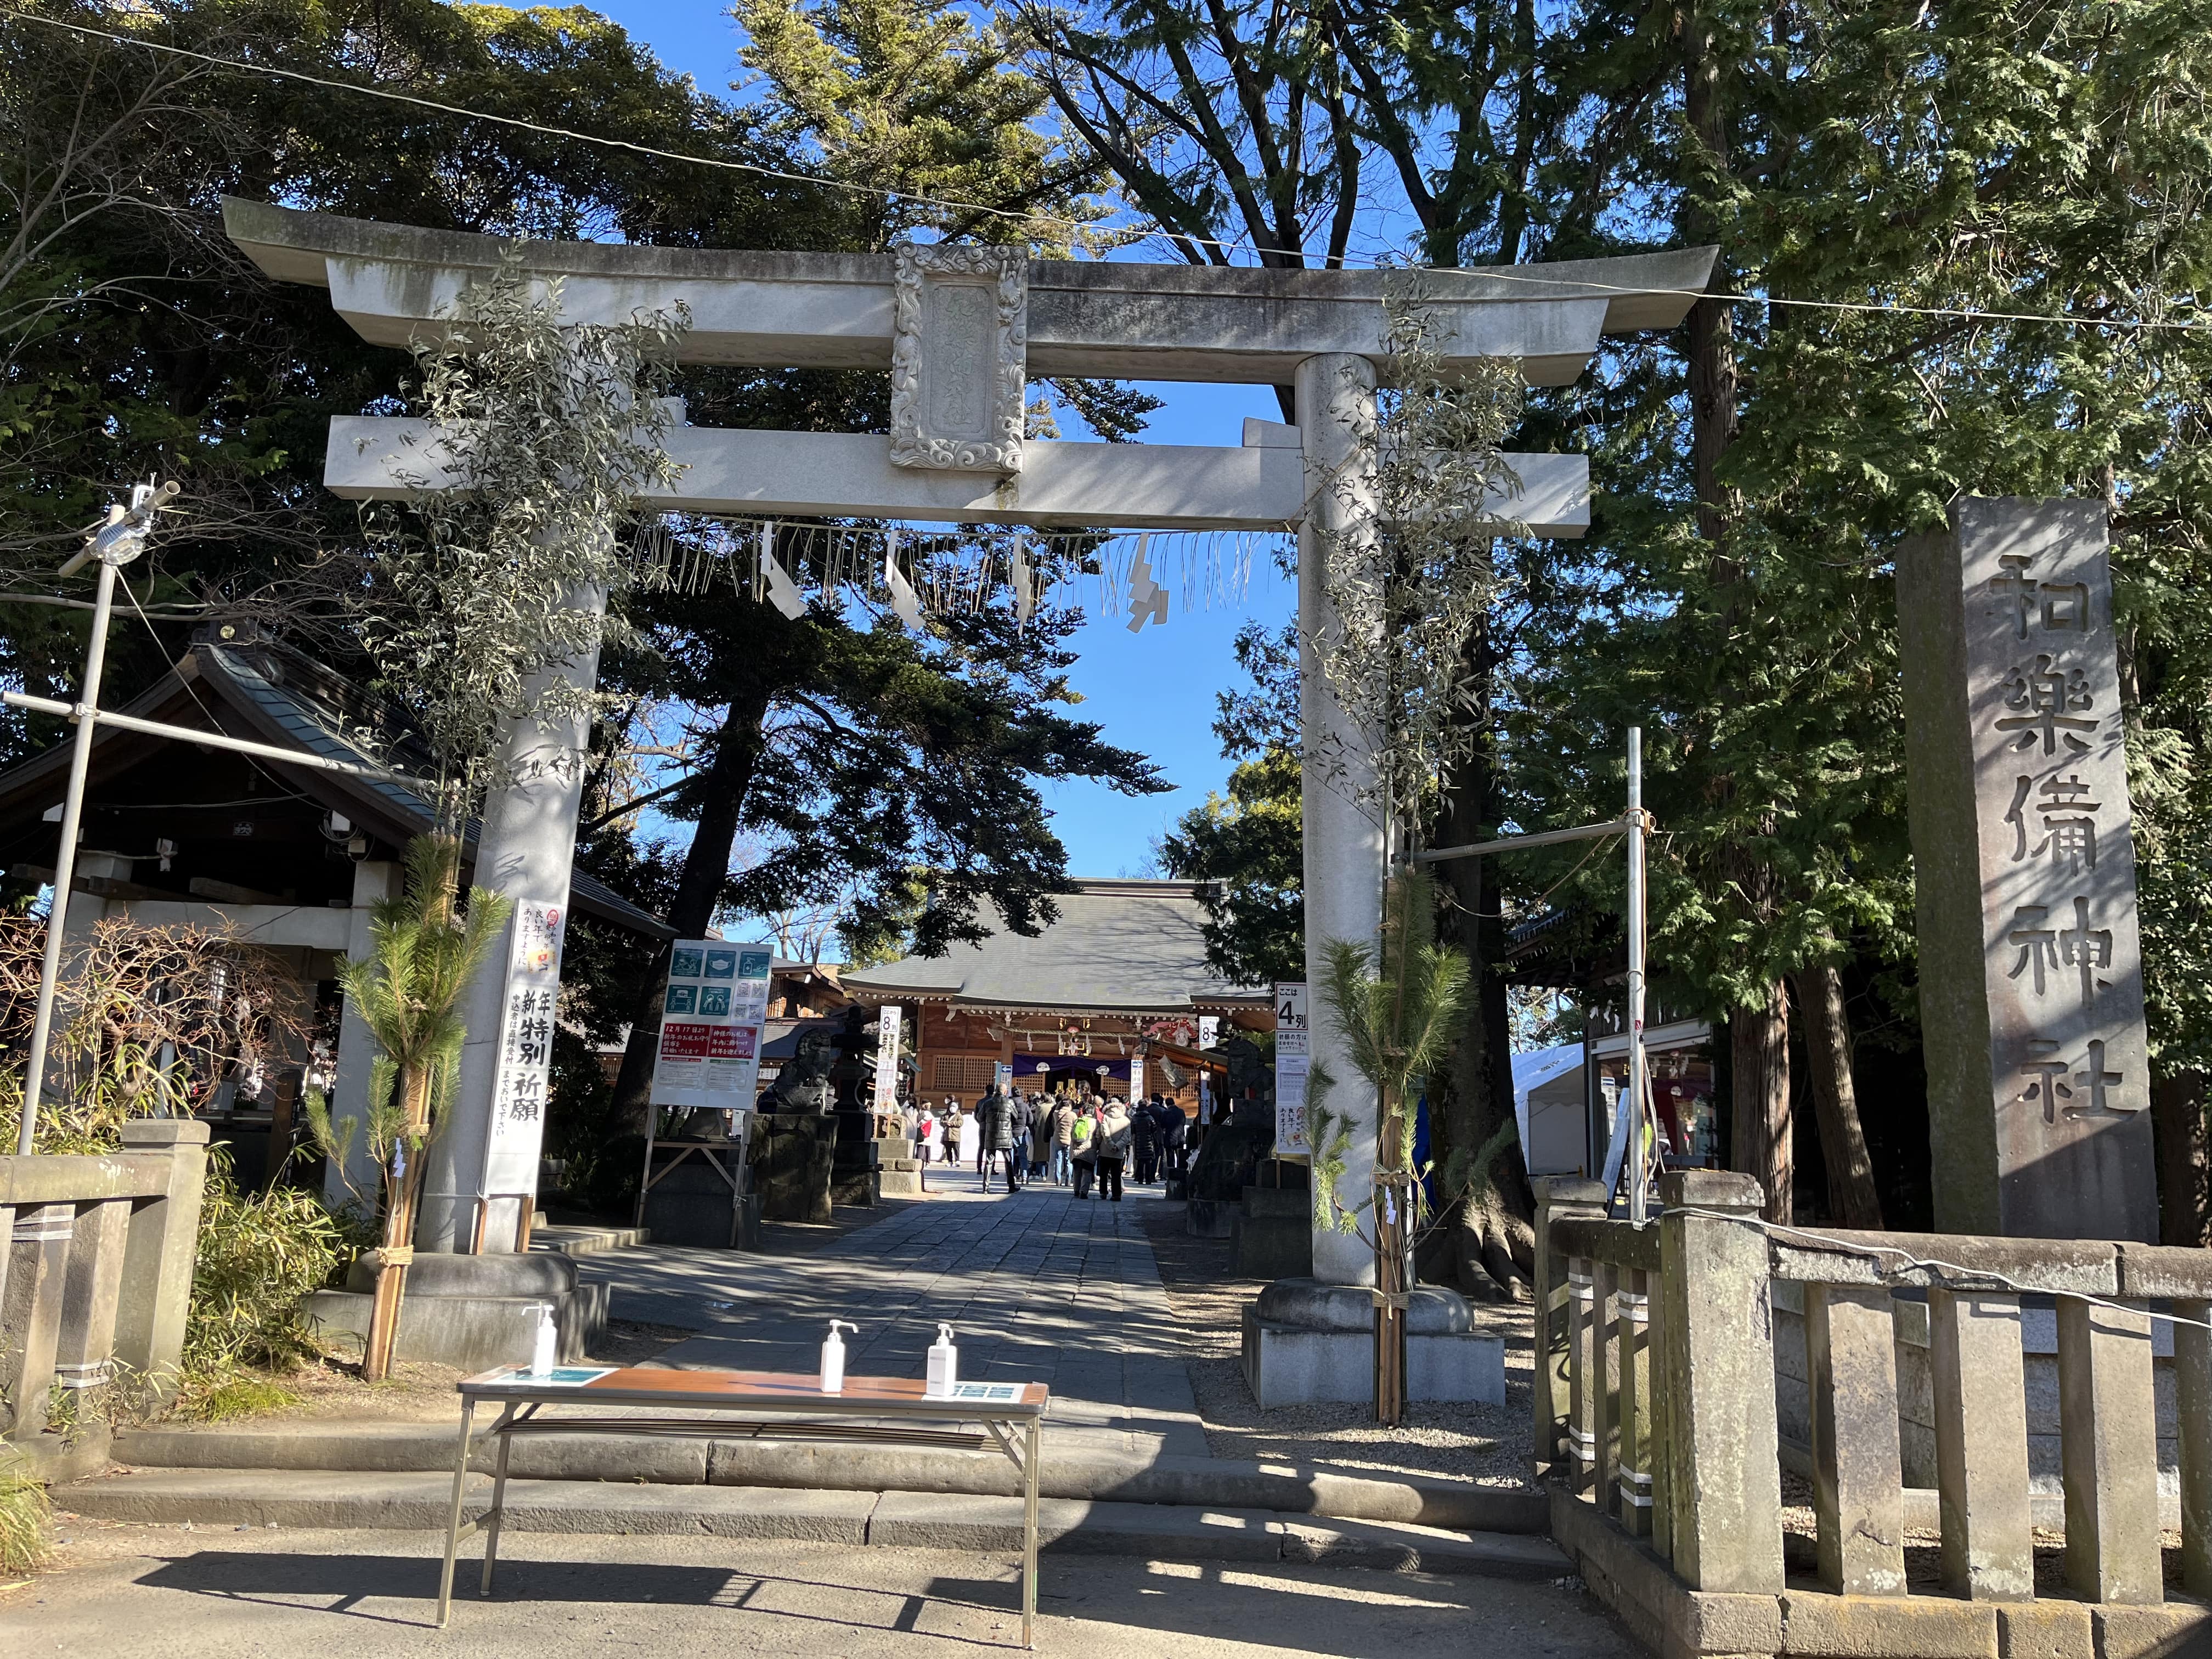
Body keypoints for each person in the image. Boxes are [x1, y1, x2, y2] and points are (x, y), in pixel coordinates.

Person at [977, 1087, 1020, 1193]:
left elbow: (980, 1117)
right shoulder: (1010, 1102)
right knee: (1008, 1161)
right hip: (1006, 1135)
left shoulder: (988, 1103)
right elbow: (1015, 1117)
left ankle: (985, 1187)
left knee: (989, 1161)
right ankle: (1011, 1185)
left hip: (991, 1134)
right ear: (1005, 1092)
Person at [1093, 1096, 1132, 1201]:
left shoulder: (1105, 1117)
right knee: (1116, 1174)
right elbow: (1126, 1137)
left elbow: (1104, 1133)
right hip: (1118, 1152)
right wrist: (1118, 1146)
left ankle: (1103, 1192)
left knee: (1104, 1174)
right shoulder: (1126, 1120)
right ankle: (1116, 1194)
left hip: (1105, 1150)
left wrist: (1110, 1144)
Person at [1070, 1098, 1098, 1198]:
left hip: (1077, 1150)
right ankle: (1084, 1192)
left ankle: (1076, 1191)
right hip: (1089, 1150)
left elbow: (1072, 1134)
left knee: (1077, 1172)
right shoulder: (1095, 1122)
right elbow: (1098, 1136)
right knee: (1087, 1172)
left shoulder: (1078, 1121)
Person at [1158, 1094, 1189, 1182]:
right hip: (1180, 1137)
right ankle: (1180, 1176)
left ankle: (1171, 1177)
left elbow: (1163, 1125)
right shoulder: (1181, 1112)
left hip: (1170, 1138)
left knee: (1170, 1158)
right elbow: (1184, 1122)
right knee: (1180, 1157)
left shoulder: (1166, 1113)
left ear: (1167, 1105)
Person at [1130, 1093, 1160, 1184]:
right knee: (1148, 1161)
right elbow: (1154, 1129)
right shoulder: (1149, 1118)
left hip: (1139, 1141)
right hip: (1149, 1141)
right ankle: (1148, 1179)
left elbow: (1133, 1130)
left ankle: (1140, 1178)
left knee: (1140, 1160)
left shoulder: (1135, 1118)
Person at [1049, 1092, 1076, 1186]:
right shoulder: (1073, 1115)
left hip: (1058, 1139)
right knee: (1069, 1161)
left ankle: (1058, 1180)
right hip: (1069, 1139)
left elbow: (1056, 1111)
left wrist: (1059, 1105)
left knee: (1058, 1160)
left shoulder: (1057, 1113)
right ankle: (1068, 1181)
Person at [1028, 1091, 1053, 1181]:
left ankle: (1041, 1174)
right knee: (1050, 1155)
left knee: (1040, 1154)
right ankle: (1049, 1174)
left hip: (1040, 1133)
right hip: (1051, 1134)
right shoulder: (1053, 1107)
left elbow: (1037, 1121)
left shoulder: (1040, 1108)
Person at [944, 1101, 964, 1168]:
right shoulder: (946, 1115)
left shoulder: (959, 1115)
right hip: (948, 1135)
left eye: (953, 1107)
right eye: (951, 1107)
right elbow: (942, 1121)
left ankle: (957, 1160)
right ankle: (950, 1161)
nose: (952, 1108)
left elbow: (960, 1123)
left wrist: (952, 1123)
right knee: (948, 1149)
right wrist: (945, 1122)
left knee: (956, 1149)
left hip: (956, 1135)